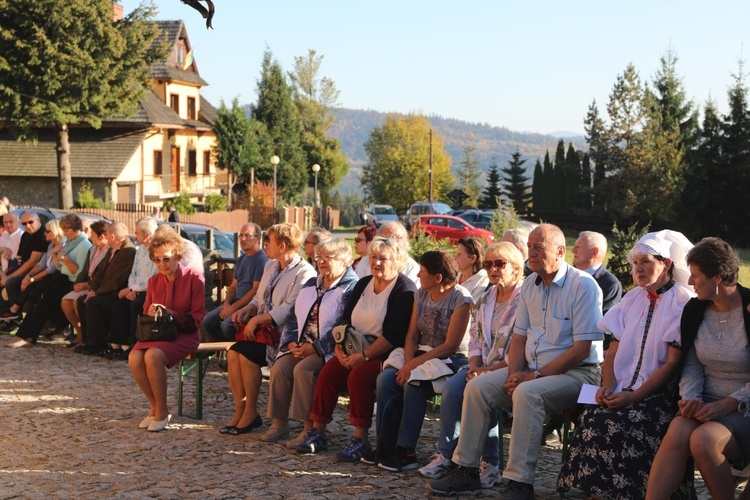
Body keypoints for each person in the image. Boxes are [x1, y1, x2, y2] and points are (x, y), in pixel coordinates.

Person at [428, 224, 604, 498]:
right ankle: (467, 470)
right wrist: (516, 372)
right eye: (529, 246)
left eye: (538, 247)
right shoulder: (531, 286)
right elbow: (519, 339)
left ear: (560, 251)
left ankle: (519, 483)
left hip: (578, 374)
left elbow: (582, 349)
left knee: (527, 392)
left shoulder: (583, 286)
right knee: (476, 387)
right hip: (532, 371)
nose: (531, 253)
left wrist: (531, 377)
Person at [557, 230, 695, 499]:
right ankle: (599, 491)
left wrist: (634, 396)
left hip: (660, 392)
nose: (638, 268)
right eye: (635, 263)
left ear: (666, 263)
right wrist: (608, 386)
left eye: (645, 261)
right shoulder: (632, 300)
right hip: (622, 386)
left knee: (631, 420)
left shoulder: (682, 302)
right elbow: (612, 351)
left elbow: (670, 365)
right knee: (594, 415)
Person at [647, 237, 750, 500]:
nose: (690, 283)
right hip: (706, 401)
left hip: (743, 406)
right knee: (679, 430)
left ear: (717, 277)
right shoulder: (695, 309)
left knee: (703, 440)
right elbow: (691, 363)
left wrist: (726, 404)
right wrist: (690, 398)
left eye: (695, 276)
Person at [296, 236, 416, 461]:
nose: (376, 263)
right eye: (373, 257)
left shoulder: (404, 289)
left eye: (383, 258)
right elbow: (344, 320)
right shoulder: (363, 283)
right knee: (329, 372)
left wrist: (365, 356)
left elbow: (393, 335)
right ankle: (318, 432)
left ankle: (360, 439)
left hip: (386, 352)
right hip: (353, 345)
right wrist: (340, 349)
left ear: (397, 261)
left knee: (358, 377)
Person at [420, 242, 525, 488]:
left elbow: (521, 349)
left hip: (513, 367)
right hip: (482, 366)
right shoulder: (486, 297)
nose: (493, 269)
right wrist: (475, 365)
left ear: (517, 268)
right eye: (488, 264)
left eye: (500, 263)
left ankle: (490, 463)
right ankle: (447, 455)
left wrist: (484, 371)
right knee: (453, 388)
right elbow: (475, 340)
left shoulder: (525, 299)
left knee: (477, 388)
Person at [375, 249, 473, 472]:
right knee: (386, 379)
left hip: (450, 360)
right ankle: (385, 445)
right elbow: (411, 335)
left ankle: (406, 450)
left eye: (422, 271)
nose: (417, 276)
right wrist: (408, 363)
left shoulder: (461, 299)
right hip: (420, 355)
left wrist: (411, 368)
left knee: (415, 383)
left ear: (438, 278)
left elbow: (450, 346)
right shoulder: (421, 294)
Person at [222, 223, 316, 435]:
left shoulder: (304, 272)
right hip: (261, 331)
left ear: (282, 246)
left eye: (269, 241)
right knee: (234, 353)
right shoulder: (271, 266)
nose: (265, 245)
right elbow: (258, 297)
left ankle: (251, 414)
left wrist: (259, 320)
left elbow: (291, 307)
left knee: (246, 357)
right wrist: (247, 310)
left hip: (282, 335)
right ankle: (242, 409)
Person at [263, 237, 359, 444]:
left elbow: (342, 325)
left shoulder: (350, 288)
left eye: (328, 257)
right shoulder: (311, 284)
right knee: (280, 367)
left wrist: (315, 348)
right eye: (319, 257)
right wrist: (290, 342)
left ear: (344, 260)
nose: (321, 262)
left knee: (303, 369)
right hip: (300, 345)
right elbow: (292, 317)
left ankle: (309, 429)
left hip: (329, 350)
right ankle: (279, 423)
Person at [129, 230, 205, 432]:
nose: (162, 264)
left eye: (166, 259)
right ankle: (154, 407)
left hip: (185, 334)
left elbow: (196, 319)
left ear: (178, 256)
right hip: (158, 333)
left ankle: (162, 411)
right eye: (157, 260)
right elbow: (146, 313)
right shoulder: (154, 281)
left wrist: (170, 312)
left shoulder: (194, 279)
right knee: (134, 357)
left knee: (152, 356)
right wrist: (153, 311)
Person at [6, 215, 92, 348]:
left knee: (44, 300)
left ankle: (29, 337)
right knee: (37, 297)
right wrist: (55, 255)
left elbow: (78, 272)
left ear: (76, 229)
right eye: (63, 230)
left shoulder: (83, 244)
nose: (65, 233)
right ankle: (22, 334)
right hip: (62, 279)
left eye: (67, 230)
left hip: (72, 283)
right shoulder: (70, 242)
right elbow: (58, 266)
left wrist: (65, 259)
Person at [77, 222, 136, 355]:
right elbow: (99, 272)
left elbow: (117, 280)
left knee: (94, 303)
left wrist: (97, 293)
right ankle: (87, 341)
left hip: (116, 291)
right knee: (82, 300)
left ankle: (97, 344)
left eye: (108, 235)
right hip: (105, 290)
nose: (106, 237)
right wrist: (92, 289)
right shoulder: (111, 249)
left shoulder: (128, 252)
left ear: (113, 236)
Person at [202, 223, 266, 342]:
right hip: (234, 303)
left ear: (258, 238)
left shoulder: (261, 260)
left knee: (227, 326)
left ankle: (237, 353)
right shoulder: (241, 259)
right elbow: (233, 286)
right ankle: (226, 350)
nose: (242, 239)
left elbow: (255, 290)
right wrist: (226, 304)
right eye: (240, 235)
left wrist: (232, 309)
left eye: (247, 235)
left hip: (250, 306)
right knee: (208, 321)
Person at [107, 217, 159, 360]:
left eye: (137, 233)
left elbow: (153, 278)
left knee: (136, 305)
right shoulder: (141, 250)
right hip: (135, 289)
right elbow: (133, 272)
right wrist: (130, 288)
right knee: (118, 305)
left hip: (149, 291)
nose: (135, 236)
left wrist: (133, 290)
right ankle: (118, 345)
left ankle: (134, 345)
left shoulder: (156, 251)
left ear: (147, 235)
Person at [61, 220, 109, 347]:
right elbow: (84, 270)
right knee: (65, 301)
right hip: (87, 282)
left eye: (93, 234)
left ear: (102, 236)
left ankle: (87, 337)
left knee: (78, 301)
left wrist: (87, 285)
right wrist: (77, 284)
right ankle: (80, 333)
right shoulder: (93, 249)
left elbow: (103, 275)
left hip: (96, 286)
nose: (90, 237)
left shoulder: (108, 251)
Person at [1, 212, 47, 308]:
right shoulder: (25, 235)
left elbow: (33, 262)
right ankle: (5, 316)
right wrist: (5, 273)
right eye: (24, 223)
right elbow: (19, 260)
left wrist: (9, 277)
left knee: (10, 282)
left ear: (38, 221)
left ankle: (14, 314)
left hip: (36, 274)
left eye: (30, 222)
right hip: (23, 271)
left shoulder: (43, 235)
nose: (28, 226)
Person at [571, 231, 622, 316]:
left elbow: (604, 324)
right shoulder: (565, 275)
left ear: (594, 252)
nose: (573, 250)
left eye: (578, 247)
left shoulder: (610, 285)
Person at [378, 221, 420, 286]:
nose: (394, 242)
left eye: (397, 237)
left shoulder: (412, 267)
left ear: (405, 240)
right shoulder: (370, 263)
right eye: (388, 238)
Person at [455, 237, 489, 302]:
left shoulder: (483, 280)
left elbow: (471, 306)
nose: (456, 257)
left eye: (459, 254)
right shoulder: (455, 275)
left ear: (472, 259)